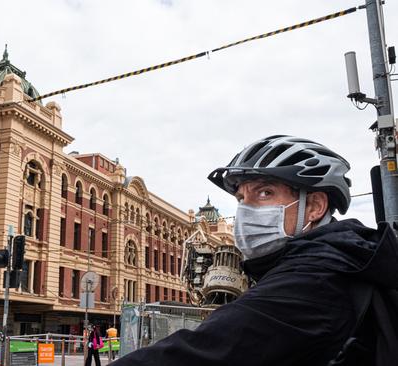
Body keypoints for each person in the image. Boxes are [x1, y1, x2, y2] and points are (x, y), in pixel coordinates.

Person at [111, 135, 398, 366]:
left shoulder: (317, 279)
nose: (246, 210)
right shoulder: (344, 259)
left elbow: (204, 350)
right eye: (241, 198)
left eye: (264, 193)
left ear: (314, 207)